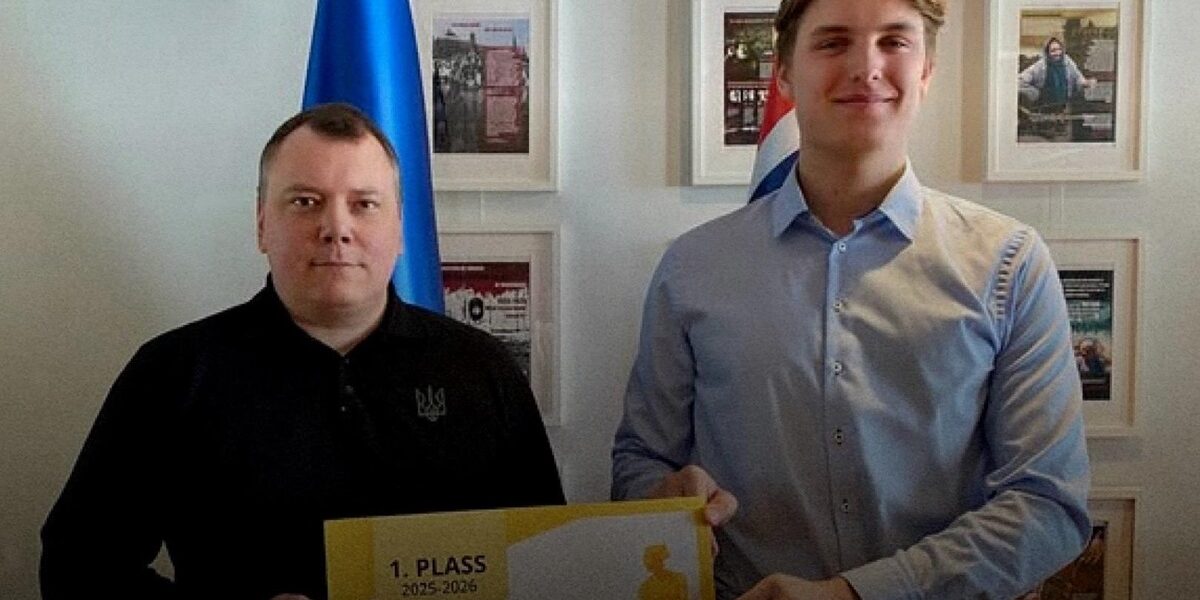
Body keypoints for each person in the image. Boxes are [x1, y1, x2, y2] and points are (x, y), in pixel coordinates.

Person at [611, 1, 1091, 599]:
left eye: (894, 42)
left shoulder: (1009, 264)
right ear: (785, 73)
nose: (866, 67)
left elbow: (1047, 505)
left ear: (926, 70)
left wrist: (855, 594)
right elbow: (640, 460)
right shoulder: (693, 267)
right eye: (833, 42)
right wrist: (664, 499)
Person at [40, 103, 564, 599]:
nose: (336, 229)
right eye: (305, 202)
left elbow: (549, 562)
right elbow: (76, 566)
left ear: (401, 228)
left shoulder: (483, 370)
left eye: (364, 204)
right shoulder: (173, 374)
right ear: (262, 224)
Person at [1018, 37, 1095, 108]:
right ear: (1047, 52)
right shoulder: (1040, 66)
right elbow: (1020, 80)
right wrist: (1034, 93)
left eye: (1059, 49)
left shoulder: (1067, 61)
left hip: (1064, 107)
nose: (1058, 53)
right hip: (1045, 107)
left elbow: (1077, 77)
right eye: (1053, 51)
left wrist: (1086, 83)